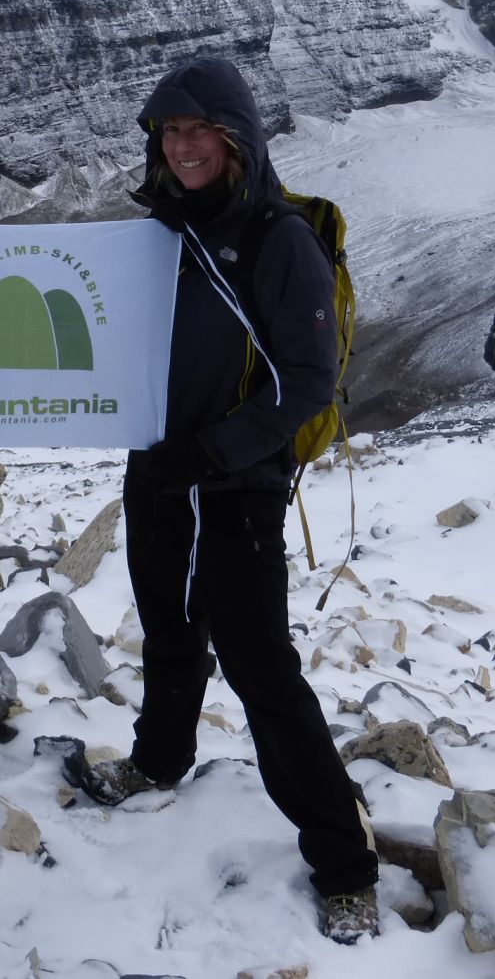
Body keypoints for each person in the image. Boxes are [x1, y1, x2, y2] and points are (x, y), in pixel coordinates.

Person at [81, 54, 382, 944]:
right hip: (160, 471)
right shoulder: (162, 232)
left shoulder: (279, 239)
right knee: (169, 629)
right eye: (168, 132)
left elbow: (309, 382)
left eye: (197, 130)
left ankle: (343, 861)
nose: (181, 148)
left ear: (236, 136)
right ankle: (159, 761)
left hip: (237, 481)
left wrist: (212, 453)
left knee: (260, 668)